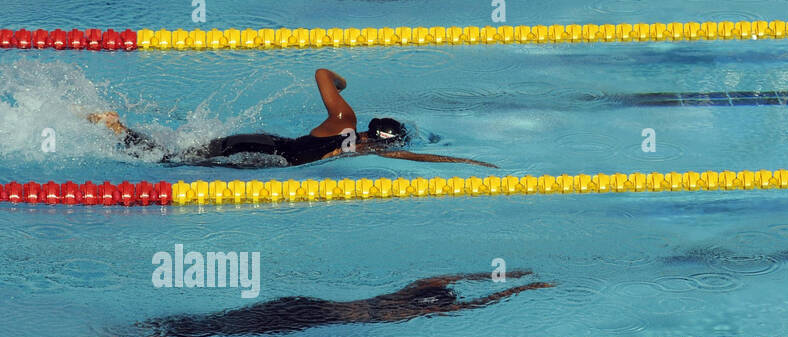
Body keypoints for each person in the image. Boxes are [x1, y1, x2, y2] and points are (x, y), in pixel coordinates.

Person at [88, 68, 494, 168]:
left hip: (262, 141)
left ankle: (119, 127)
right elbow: (423, 159)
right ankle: (118, 128)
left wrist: (343, 80)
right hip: (268, 161)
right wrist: (468, 162)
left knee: (180, 152)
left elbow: (321, 73)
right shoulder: (376, 153)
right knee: (171, 161)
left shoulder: (345, 121)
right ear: (391, 142)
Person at [105, 270, 552, 337]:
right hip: (313, 318)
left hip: (307, 305)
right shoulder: (419, 313)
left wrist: (513, 276)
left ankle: (148, 329)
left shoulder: (409, 294)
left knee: (224, 322)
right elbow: (481, 301)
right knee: (224, 330)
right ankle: (144, 336)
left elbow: (461, 280)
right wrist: (525, 289)